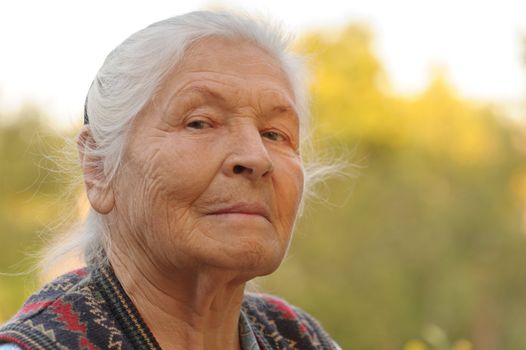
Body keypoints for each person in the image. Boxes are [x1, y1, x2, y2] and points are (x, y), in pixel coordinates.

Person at [0, 10, 340, 350]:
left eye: (274, 134)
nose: (256, 158)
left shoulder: (298, 338)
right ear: (98, 168)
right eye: (199, 123)